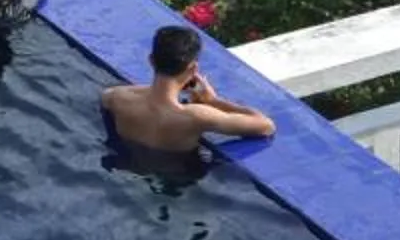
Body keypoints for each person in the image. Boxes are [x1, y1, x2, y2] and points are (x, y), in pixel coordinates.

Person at [100, 25, 276, 153]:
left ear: (151, 61)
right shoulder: (196, 116)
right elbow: (266, 126)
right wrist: (213, 101)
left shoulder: (117, 97)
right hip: (178, 178)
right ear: (193, 69)